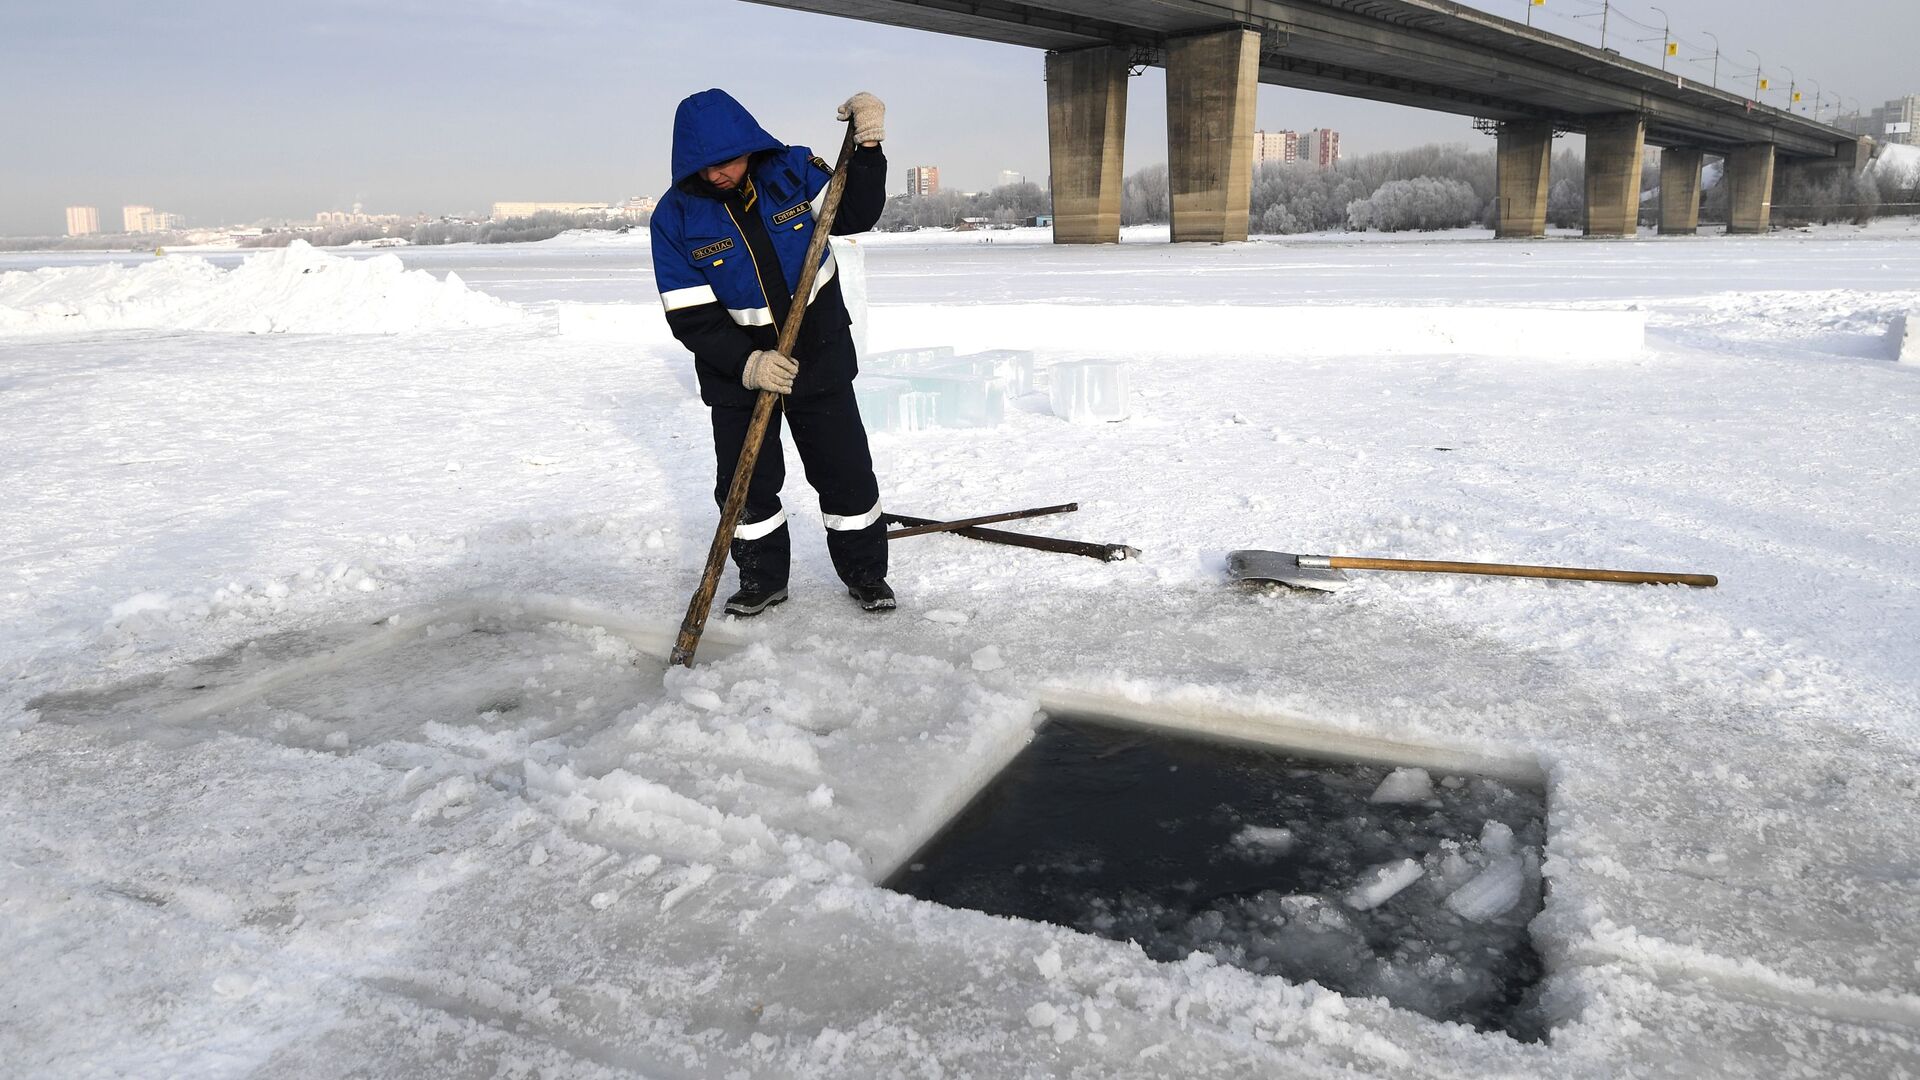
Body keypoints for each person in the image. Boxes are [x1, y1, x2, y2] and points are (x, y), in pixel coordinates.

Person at [651, 89, 894, 616]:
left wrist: (868, 145)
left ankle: (867, 576)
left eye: (729, 160)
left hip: (818, 350)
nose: (719, 174)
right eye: (706, 166)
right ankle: (762, 581)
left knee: (846, 474)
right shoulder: (675, 218)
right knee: (746, 489)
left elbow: (854, 213)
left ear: (749, 145)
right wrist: (749, 364)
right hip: (736, 369)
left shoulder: (790, 170)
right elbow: (688, 313)